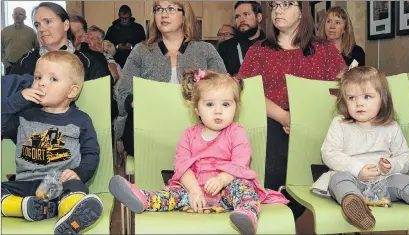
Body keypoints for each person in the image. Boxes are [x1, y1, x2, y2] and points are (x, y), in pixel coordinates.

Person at [109, 69, 289, 235]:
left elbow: (241, 162)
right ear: (197, 110)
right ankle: (144, 198)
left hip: (227, 191)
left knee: (243, 187)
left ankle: (247, 214)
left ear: (236, 107)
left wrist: (222, 179)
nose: (218, 111)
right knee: (174, 194)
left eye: (226, 104)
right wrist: (194, 190)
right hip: (195, 193)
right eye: (210, 104)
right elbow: (182, 166)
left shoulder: (236, 132)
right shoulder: (189, 135)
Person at [238, 1, 347, 219]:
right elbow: (248, 93)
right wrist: (285, 117)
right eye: (275, 5)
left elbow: (339, 92)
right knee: (272, 145)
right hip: (272, 119)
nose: (278, 10)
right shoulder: (259, 51)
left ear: (301, 12)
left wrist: (304, 121)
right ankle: (275, 215)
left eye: (286, 4)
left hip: (315, 123)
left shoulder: (324, 50)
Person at [1, 51, 103, 234]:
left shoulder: (81, 120)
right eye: (38, 77)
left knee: (76, 188)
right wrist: (17, 100)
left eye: (53, 79)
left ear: (72, 91)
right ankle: (26, 207)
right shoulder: (23, 114)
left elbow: (91, 153)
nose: (41, 83)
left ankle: (70, 211)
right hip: (25, 184)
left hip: (58, 183)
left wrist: (78, 173)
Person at [115, 1, 226, 156]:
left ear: (184, 15)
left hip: (196, 129)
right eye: (158, 9)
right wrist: (136, 102)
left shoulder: (205, 50)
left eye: (171, 9)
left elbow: (224, 88)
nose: (164, 14)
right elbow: (123, 91)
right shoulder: (141, 51)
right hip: (149, 129)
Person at [321, 66, 409, 230]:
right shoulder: (340, 124)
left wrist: (392, 165)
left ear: (383, 99)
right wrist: (358, 169)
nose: (359, 103)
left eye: (367, 96)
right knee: (338, 179)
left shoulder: (391, 127)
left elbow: (405, 158)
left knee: (406, 182)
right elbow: (328, 154)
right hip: (352, 180)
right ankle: (355, 206)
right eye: (351, 98)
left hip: (385, 183)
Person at [10, 2, 110, 82]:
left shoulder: (89, 63)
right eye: (37, 25)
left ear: (66, 25)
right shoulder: (25, 62)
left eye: (48, 22)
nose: (41, 29)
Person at [218, 1, 265, 76]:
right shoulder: (225, 47)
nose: (241, 20)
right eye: (237, 16)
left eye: (246, 14)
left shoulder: (271, 45)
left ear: (258, 17)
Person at [1, 7, 38, 75]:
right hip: (9, 66)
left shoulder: (31, 32)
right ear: (12, 16)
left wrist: (32, 62)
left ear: (25, 17)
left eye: (20, 14)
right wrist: (5, 62)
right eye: (15, 14)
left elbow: (37, 49)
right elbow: (1, 48)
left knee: (25, 84)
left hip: (26, 66)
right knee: (10, 85)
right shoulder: (5, 31)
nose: (17, 16)